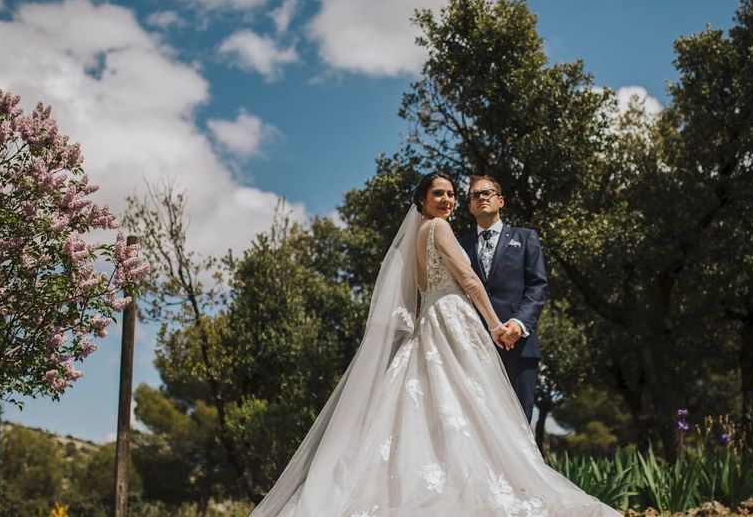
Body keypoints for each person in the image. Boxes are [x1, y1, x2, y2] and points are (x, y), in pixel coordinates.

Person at [251, 172, 619, 516]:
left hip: (432, 321)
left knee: (433, 404)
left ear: (499, 200)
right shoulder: (442, 228)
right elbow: (471, 282)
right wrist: (492, 324)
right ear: (423, 200)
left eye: (451, 194)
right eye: (438, 193)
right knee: (470, 404)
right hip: (454, 320)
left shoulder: (417, 236)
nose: (447, 199)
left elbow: (419, 292)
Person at [459, 175, 546, 421]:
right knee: (479, 422)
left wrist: (519, 323)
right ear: (470, 206)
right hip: (473, 345)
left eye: (487, 193)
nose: (481, 198)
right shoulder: (459, 245)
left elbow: (538, 286)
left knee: (519, 421)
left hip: (519, 346)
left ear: (501, 200)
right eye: (475, 195)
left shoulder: (526, 237)